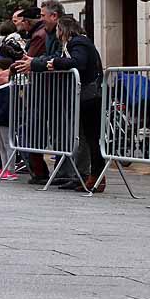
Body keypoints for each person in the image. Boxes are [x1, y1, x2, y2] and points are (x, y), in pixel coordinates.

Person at [31, 16, 106, 192]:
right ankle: (86, 176)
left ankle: (95, 176)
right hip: (85, 95)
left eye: (58, 29)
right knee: (84, 137)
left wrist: (54, 63)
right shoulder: (76, 42)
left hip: (89, 96)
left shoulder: (78, 43)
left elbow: (79, 63)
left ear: (62, 29)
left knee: (90, 138)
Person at [13, 0, 65, 184]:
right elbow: (44, 57)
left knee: (43, 132)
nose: (42, 19)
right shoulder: (48, 33)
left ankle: (54, 172)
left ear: (54, 16)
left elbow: (58, 57)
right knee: (35, 131)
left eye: (44, 15)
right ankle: (48, 171)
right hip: (44, 90)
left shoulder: (47, 34)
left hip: (51, 91)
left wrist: (33, 62)